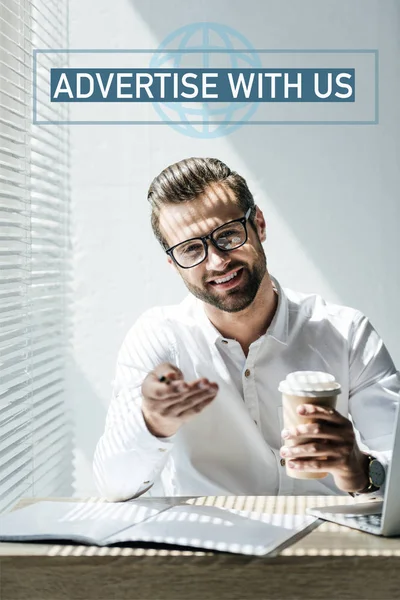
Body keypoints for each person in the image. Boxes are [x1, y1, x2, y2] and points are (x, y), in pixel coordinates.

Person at [93, 157, 399, 501]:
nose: (216, 261)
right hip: (210, 548)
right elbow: (113, 487)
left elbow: (395, 462)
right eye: (191, 249)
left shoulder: (346, 333)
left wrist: (360, 468)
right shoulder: (159, 339)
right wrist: (152, 424)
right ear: (173, 264)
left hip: (327, 544)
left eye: (227, 235)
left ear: (259, 225)